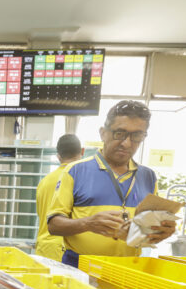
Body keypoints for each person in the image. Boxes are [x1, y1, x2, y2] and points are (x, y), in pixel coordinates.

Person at [47, 100, 176, 267]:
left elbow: (151, 226)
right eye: (119, 133)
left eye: (136, 136)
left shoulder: (148, 177)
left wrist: (163, 230)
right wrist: (87, 223)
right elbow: (53, 225)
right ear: (103, 133)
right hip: (81, 266)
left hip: (128, 267)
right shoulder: (75, 171)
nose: (126, 143)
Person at [35, 134, 85, 260]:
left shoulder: (44, 181)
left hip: (43, 249)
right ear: (82, 151)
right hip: (65, 250)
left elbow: (42, 215)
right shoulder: (81, 180)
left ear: (58, 156)